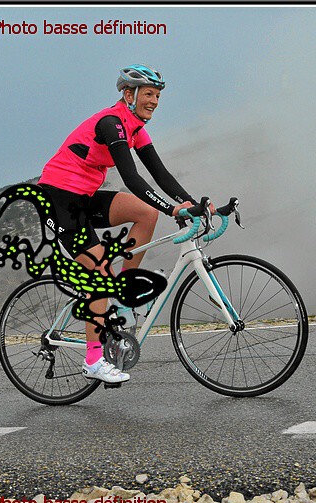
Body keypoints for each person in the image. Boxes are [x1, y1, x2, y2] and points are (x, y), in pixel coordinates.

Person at [38, 63, 212, 384]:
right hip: (58, 199)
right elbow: (131, 178)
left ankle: (122, 297)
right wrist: (172, 209)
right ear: (129, 95)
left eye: (157, 96)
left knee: (146, 213)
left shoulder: (135, 128)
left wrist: (191, 203)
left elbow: (160, 174)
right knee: (98, 273)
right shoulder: (111, 123)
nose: (154, 101)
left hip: (83, 196)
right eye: (149, 94)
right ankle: (93, 359)